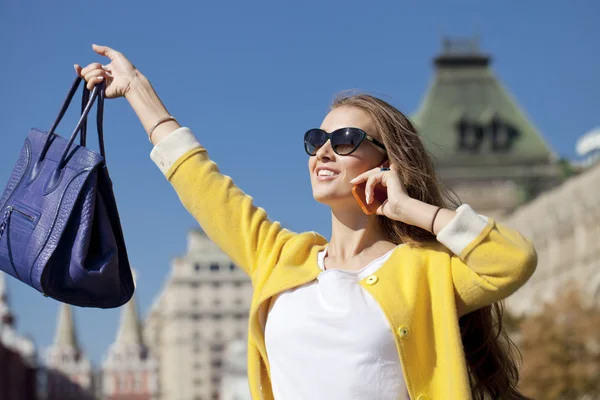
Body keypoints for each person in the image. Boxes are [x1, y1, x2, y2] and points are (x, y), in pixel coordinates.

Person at [75, 44, 537, 400]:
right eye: (317, 139)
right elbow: (200, 181)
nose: (323, 150)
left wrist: (408, 209)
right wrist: (136, 88)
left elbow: (511, 261)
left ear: (387, 160)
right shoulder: (281, 256)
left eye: (346, 139)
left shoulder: (424, 270)